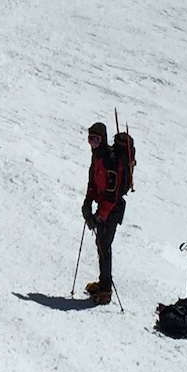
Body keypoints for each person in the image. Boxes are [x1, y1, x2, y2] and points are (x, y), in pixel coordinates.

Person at [82, 122, 127, 305]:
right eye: (90, 139)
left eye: (96, 139)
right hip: (103, 207)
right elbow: (92, 182)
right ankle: (103, 283)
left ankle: (106, 290)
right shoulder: (97, 157)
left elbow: (112, 195)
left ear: (103, 138)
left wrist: (99, 216)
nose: (93, 144)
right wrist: (87, 203)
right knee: (101, 244)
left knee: (104, 246)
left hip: (112, 210)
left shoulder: (111, 161)